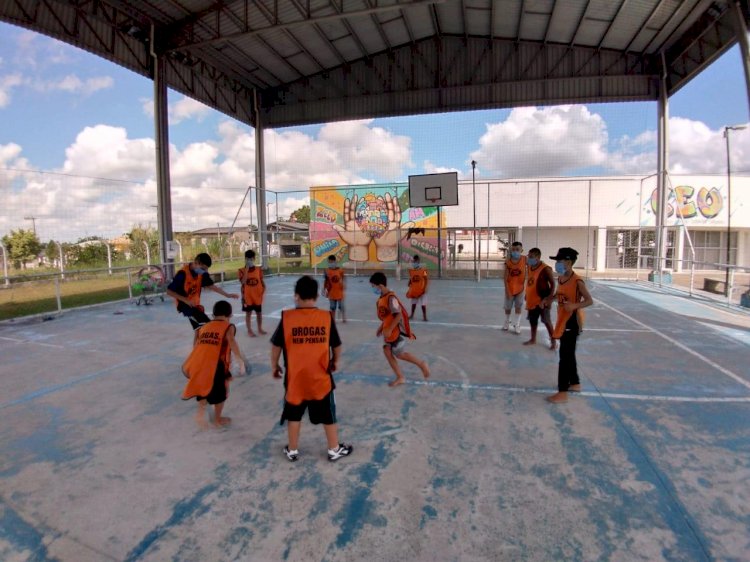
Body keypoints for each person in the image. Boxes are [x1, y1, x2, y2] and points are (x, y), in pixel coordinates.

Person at [270, 275, 352, 463]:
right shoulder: (325, 318)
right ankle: (333, 449)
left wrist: (274, 366)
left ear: (296, 295)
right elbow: (337, 346)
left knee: (294, 415)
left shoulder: (287, 318)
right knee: (328, 415)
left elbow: (276, 346)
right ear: (316, 296)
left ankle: (292, 450)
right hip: (320, 379)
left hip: (295, 380)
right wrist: (334, 361)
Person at [181, 300, 246, 428]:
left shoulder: (204, 327)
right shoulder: (228, 326)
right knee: (221, 394)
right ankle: (217, 419)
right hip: (216, 365)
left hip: (199, 363)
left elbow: (196, 344)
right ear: (230, 315)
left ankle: (200, 413)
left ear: (213, 314)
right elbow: (231, 340)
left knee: (203, 387)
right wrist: (240, 360)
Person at [546, 247, 593, 404]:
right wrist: (549, 299)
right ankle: (575, 383)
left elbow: (589, 300)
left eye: (559, 261)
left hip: (572, 322)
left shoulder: (577, 281)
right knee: (569, 354)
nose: (557, 264)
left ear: (568, 262)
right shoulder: (561, 278)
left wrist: (573, 306)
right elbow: (559, 294)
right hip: (563, 319)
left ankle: (562, 392)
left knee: (564, 357)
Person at [369, 271, 430, 387]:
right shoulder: (381, 299)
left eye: (373, 286)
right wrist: (381, 328)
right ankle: (400, 377)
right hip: (388, 333)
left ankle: (421, 364)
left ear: (380, 286)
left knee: (400, 355)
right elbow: (387, 317)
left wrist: (390, 329)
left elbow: (398, 315)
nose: (373, 289)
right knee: (387, 351)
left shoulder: (391, 298)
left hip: (393, 333)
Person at [167, 253, 239, 330]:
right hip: (185, 305)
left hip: (195, 304)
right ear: (197, 263)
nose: (205, 271)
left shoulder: (202, 273)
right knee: (207, 325)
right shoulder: (182, 274)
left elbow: (211, 286)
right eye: (204, 268)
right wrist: (186, 300)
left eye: (206, 269)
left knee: (198, 329)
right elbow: (169, 291)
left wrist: (227, 295)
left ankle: (197, 342)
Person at [523, 248, 557, 350]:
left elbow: (553, 284)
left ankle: (553, 341)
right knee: (533, 320)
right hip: (532, 299)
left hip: (543, 299)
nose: (529, 258)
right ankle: (533, 339)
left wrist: (548, 299)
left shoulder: (545, 269)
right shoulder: (529, 266)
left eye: (531, 257)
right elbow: (531, 281)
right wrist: (527, 294)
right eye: (528, 256)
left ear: (538, 258)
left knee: (546, 321)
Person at [238, 249, 267, 337]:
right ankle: (249, 330)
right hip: (247, 296)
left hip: (257, 296)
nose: (249, 260)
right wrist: (246, 269)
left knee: (259, 313)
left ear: (254, 259)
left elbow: (261, 280)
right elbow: (243, 282)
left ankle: (260, 328)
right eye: (247, 259)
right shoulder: (241, 270)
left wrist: (264, 288)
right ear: (245, 259)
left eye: (251, 258)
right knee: (248, 314)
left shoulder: (258, 269)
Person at [503, 241, 527, 334]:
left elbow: (533, 268)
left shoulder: (525, 259)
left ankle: (517, 324)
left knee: (518, 306)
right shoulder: (508, 262)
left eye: (517, 249)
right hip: (510, 288)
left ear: (521, 250)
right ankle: (506, 321)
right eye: (513, 249)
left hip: (520, 289)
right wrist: (507, 290)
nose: (515, 251)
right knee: (508, 307)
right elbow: (505, 277)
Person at [322, 254, 346, 323]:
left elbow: (343, 277)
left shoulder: (340, 270)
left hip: (339, 291)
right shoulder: (326, 271)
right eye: (329, 262)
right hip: (331, 291)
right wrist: (324, 288)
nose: (330, 263)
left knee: (341, 306)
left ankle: (343, 318)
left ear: (335, 261)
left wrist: (344, 284)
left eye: (331, 262)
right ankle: (333, 319)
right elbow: (325, 280)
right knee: (332, 307)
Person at [406, 254, 429, 321]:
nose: (415, 262)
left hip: (422, 290)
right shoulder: (411, 271)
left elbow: (426, 279)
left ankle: (424, 317)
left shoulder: (424, 270)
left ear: (419, 261)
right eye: (414, 261)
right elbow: (411, 278)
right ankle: (412, 315)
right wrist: (409, 282)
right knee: (413, 303)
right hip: (414, 290)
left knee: (423, 304)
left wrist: (425, 288)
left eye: (416, 261)